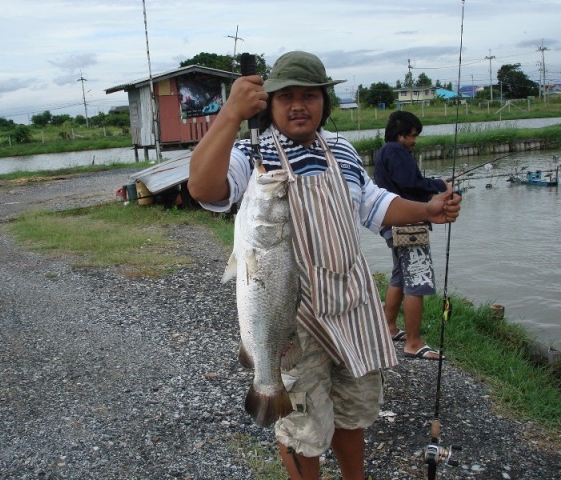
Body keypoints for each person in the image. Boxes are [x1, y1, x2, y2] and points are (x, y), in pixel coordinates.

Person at [188, 51, 461, 480]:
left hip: (352, 309)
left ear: (324, 102)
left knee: (352, 416)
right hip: (292, 323)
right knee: (303, 429)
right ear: (270, 104)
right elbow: (205, 188)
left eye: (310, 96)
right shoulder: (251, 153)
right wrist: (229, 116)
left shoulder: (342, 150)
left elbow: (375, 205)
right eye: (287, 97)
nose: (299, 105)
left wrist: (427, 209)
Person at [373, 111, 448, 361]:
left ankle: (389, 327)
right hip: (408, 225)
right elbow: (410, 183)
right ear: (400, 134)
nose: (414, 141)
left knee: (400, 277)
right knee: (417, 280)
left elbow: (406, 181)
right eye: (413, 136)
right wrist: (439, 186)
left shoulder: (385, 152)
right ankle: (414, 343)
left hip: (392, 223)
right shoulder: (395, 150)